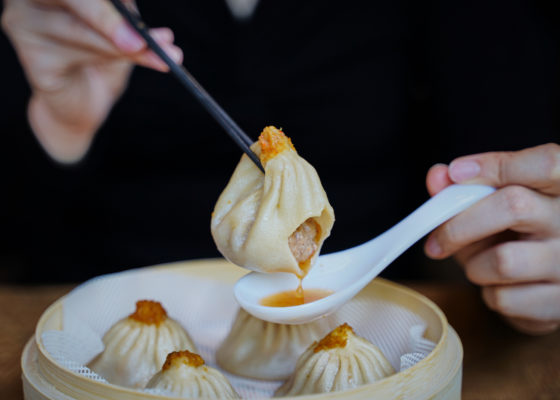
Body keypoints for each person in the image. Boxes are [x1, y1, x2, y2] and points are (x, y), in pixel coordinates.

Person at [1, 0, 559, 335]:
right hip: (91, 324)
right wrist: (55, 127)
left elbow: (513, 171)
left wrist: (529, 251)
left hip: (382, 326)